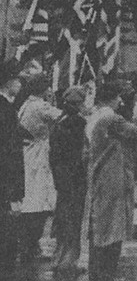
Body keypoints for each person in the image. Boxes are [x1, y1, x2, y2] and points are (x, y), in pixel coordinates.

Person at [85, 80, 137, 281]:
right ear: (109, 98)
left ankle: (97, 273)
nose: (120, 100)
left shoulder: (94, 115)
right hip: (112, 176)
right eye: (117, 96)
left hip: (99, 174)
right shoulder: (111, 118)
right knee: (112, 228)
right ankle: (106, 274)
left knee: (100, 226)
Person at [17, 72, 62, 264]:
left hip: (29, 154)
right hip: (38, 156)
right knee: (38, 203)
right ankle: (30, 245)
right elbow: (63, 116)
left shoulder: (26, 104)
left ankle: (28, 245)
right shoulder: (40, 106)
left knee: (31, 201)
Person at [49, 86, 88, 280]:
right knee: (74, 219)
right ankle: (68, 262)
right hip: (75, 178)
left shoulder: (58, 121)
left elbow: (53, 154)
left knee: (62, 216)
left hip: (61, 177)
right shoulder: (79, 122)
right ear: (78, 104)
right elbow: (80, 153)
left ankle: (58, 258)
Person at [0, 68, 24, 280]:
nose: (20, 83)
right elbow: (11, 152)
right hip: (5, 180)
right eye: (17, 78)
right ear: (7, 81)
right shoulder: (6, 109)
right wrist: (15, 189)